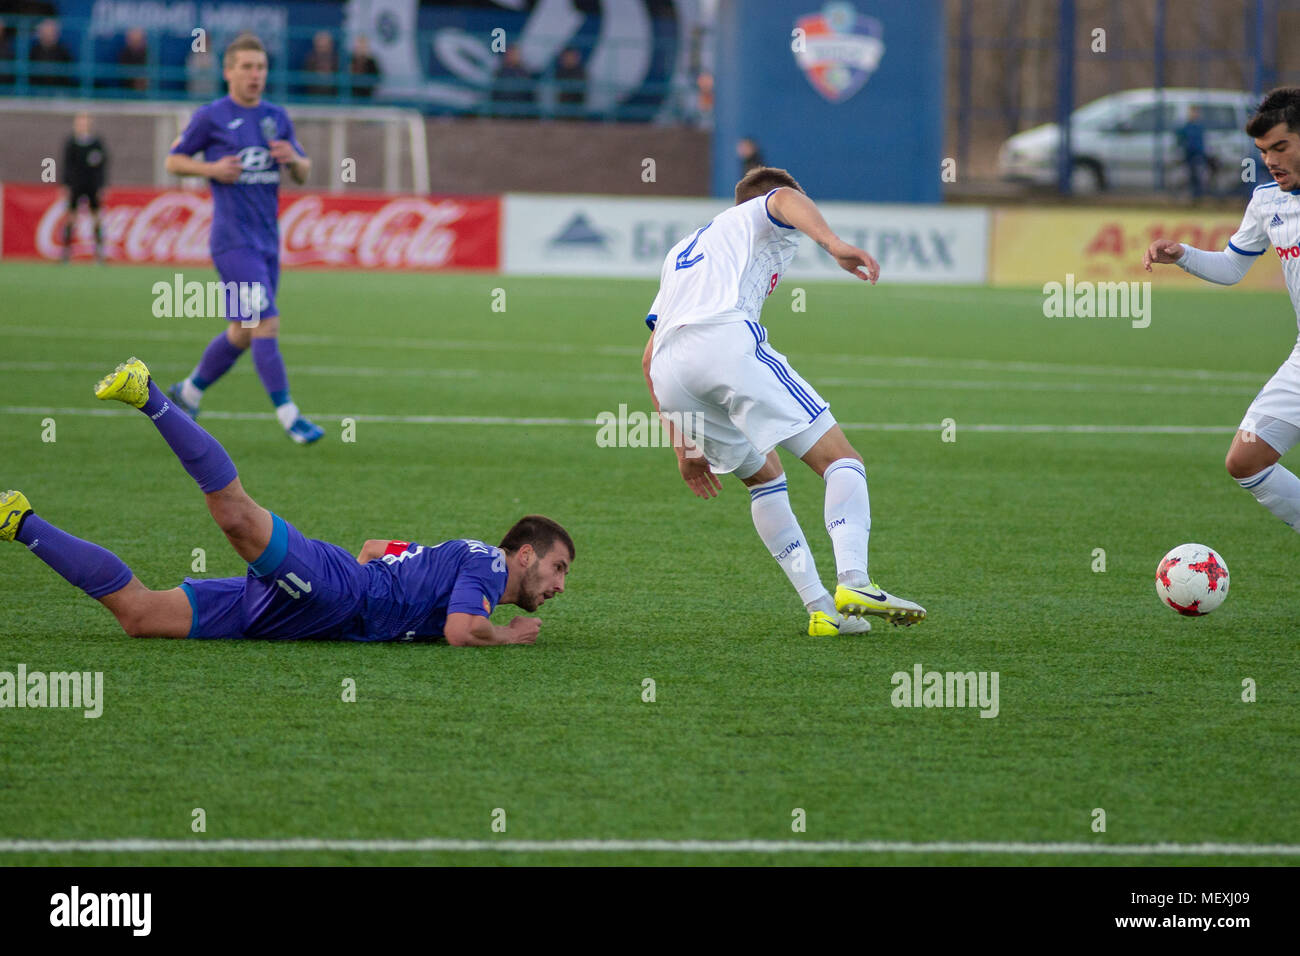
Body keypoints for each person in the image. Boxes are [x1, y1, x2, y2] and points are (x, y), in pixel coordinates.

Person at [1, 357, 571, 645]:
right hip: (335, 592)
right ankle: (147, 393)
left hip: (317, 611)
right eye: (557, 567)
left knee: (141, 616)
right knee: (235, 515)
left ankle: (18, 520)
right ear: (523, 553)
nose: (560, 584)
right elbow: (460, 631)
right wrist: (505, 634)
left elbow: (375, 547)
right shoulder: (490, 565)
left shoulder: (461, 558)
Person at [641, 166, 926, 637]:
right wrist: (834, 244)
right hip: (723, 342)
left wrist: (683, 444)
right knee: (842, 461)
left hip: (671, 373)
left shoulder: (686, 250)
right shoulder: (762, 212)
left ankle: (821, 611)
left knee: (764, 480)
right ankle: (855, 580)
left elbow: (648, 356)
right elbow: (783, 200)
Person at [1145, 87, 1300, 540]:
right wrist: (1183, 254)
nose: (1271, 160)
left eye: (1281, 147)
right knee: (1245, 461)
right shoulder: (1268, 201)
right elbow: (1233, 266)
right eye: (1263, 151)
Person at [163, 33, 325, 445]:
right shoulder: (211, 116)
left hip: (268, 243)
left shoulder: (276, 116)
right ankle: (291, 417)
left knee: (242, 330)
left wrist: (297, 160)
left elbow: (303, 171)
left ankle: (188, 391)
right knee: (266, 321)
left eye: (261, 67)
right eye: (247, 67)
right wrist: (213, 170)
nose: (256, 75)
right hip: (233, 242)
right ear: (228, 71)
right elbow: (174, 160)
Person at [60, 111, 108, 263]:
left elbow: (102, 167)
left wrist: (102, 186)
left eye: (86, 121)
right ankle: (66, 252)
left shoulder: (97, 143)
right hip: (76, 185)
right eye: (81, 121)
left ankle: (99, 253)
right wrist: (65, 185)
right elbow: (66, 166)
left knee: (96, 218)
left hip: (92, 185)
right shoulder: (71, 143)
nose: (83, 124)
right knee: (71, 218)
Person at [1176, 105, 1209, 201]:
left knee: (1198, 175)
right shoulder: (1186, 126)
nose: (1194, 114)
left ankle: (1198, 196)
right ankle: (1191, 196)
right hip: (1188, 155)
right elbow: (1180, 140)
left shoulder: (1199, 127)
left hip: (1198, 155)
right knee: (1189, 176)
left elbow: (1202, 142)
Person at [29, 17, 72, 88]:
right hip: (36, 90)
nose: (49, 33)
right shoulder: (34, 51)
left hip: (58, 90)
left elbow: (68, 73)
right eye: (46, 30)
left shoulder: (63, 51)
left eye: (52, 30)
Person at [491, 46, 534, 116]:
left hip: (521, 110)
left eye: (514, 54)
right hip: (502, 109)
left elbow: (529, 95)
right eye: (510, 54)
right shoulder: (500, 72)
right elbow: (495, 94)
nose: (512, 56)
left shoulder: (524, 73)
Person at [301, 30, 337, 98]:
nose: (323, 46)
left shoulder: (336, 59)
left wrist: (329, 78)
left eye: (325, 44)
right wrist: (318, 77)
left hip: (333, 97)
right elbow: (305, 78)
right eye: (320, 43)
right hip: (314, 96)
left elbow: (340, 79)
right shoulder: (310, 59)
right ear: (315, 44)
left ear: (330, 44)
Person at [554, 46, 585, 115]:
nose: (568, 59)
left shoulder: (582, 73)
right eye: (566, 56)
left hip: (577, 110)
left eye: (571, 56)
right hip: (560, 110)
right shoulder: (558, 72)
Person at [117, 26, 148, 93]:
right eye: (133, 40)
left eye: (138, 40)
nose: (135, 42)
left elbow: (151, 69)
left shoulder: (148, 53)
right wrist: (135, 77)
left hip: (144, 83)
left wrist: (141, 76)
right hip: (128, 83)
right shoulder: (125, 53)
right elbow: (123, 69)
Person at [348, 35, 379, 99]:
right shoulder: (349, 60)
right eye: (359, 46)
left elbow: (377, 78)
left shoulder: (371, 62)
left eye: (363, 46)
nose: (361, 48)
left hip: (367, 96)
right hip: (351, 96)